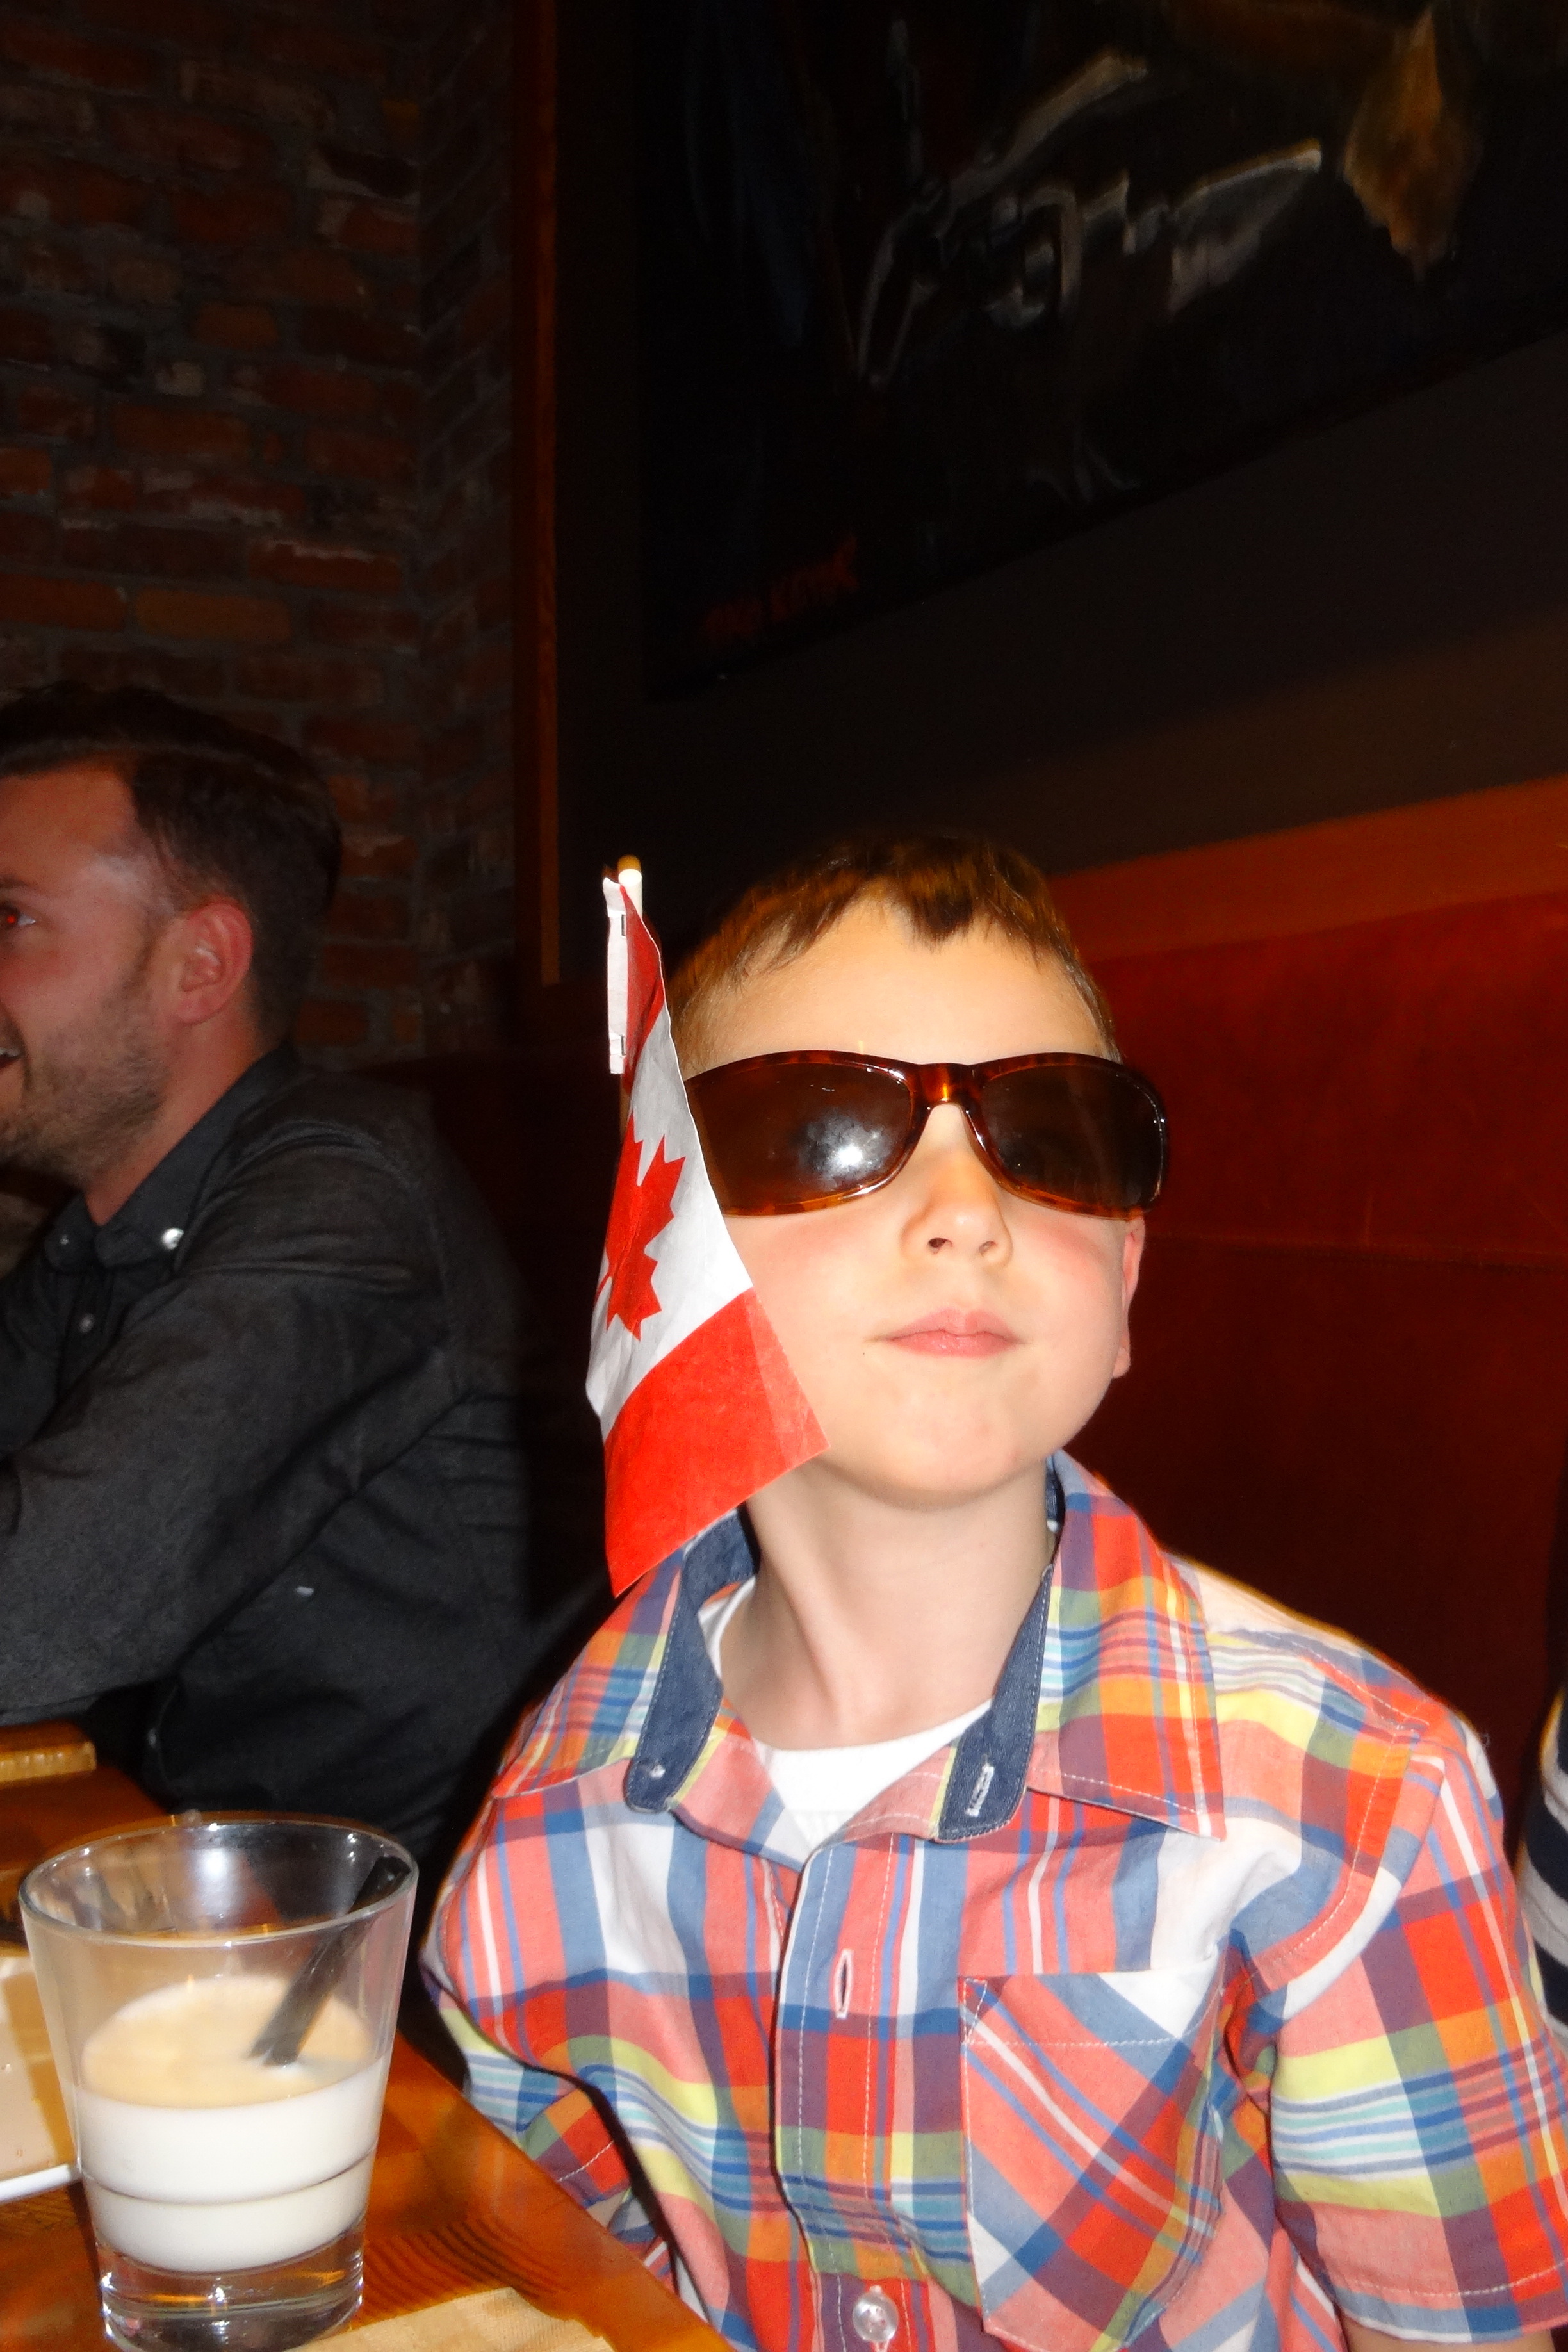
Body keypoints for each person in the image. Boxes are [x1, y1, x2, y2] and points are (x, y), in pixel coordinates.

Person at [429, 834, 1568, 2351]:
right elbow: (575, 2278)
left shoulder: (1357, 1801)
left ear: (1127, 1278)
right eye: (826, 1126)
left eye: (1054, 1135)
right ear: (661, 1246)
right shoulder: (551, 1815)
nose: (969, 1207)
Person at [0, 682, 605, 1879]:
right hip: (229, 1883)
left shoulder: (343, 1194)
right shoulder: (95, 1237)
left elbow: (31, 1615)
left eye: (10, 919)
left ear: (201, 965)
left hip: (439, 1945)